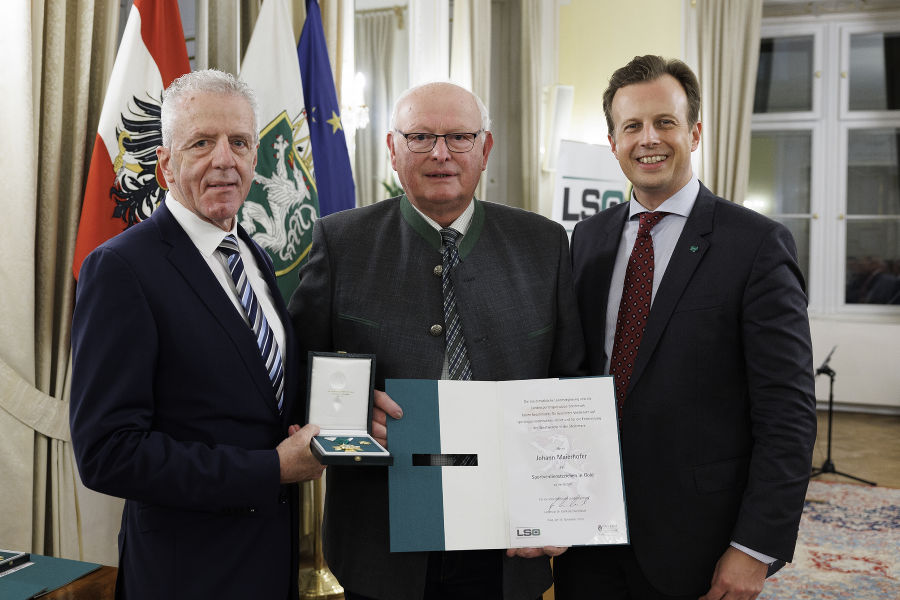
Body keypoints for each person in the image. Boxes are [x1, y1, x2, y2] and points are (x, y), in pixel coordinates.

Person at [288, 81, 586, 600]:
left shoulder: (544, 244)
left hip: (510, 537)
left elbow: (573, 385)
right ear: (393, 148)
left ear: (485, 148)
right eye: (421, 136)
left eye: (459, 137)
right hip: (382, 541)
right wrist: (355, 414)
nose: (441, 153)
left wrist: (566, 503)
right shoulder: (341, 242)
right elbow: (299, 375)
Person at [552, 55, 818, 600]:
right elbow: (572, 374)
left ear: (694, 132)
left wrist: (753, 548)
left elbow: (787, 412)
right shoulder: (587, 239)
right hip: (588, 530)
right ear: (612, 142)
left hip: (697, 540)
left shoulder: (756, 246)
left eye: (665, 122)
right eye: (632, 126)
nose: (648, 139)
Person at [70, 69, 324, 600]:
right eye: (201, 143)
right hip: (184, 574)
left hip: (269, 564)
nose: (224, 160)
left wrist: (346, 413)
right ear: (165, 164)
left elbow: (261, 393)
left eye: (239, 142)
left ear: (256, 158)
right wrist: (269, 469)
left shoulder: (253, 253)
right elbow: (108, 452)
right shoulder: (121, 269)